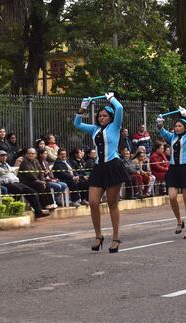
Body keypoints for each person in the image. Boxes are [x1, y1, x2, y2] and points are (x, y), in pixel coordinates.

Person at [74, 93, 129, 253]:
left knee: (112, 203)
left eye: (104, 116)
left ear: (110, 118)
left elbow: (119, 108)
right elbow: (77, 123)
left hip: (113, 166)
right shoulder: (94, 129)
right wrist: (83, 107)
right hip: (99, 167)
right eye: (99, 116)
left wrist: (110, 98)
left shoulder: (115, 126)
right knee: (92, 202)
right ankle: (98, 235)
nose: (101, 118)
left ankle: (116, 237)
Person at [157, 107, 186, 239]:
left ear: (185, 128)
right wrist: (159, 123)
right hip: (174, 169)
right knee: (172, 197)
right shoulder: (172, 137)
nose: (177, 128)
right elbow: (162, 132)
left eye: (179, 126)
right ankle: (179, 221)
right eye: (175, 125)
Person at [0, 150, 50, 217]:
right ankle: (13, 209)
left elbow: (12, 174)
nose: (4, 157)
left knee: (32, 192)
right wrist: (7, 180)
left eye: (5, 155)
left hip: (16, 182)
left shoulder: (6, 164)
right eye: (2, 156)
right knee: (18, 189)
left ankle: (38, 212)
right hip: (7, 183)